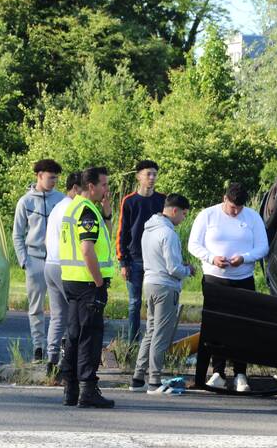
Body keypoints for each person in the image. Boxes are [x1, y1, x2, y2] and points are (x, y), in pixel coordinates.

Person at [187, 182, 268, 392]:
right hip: (215, 278)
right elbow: (193, 244)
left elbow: (263, 247)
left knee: (243, 326)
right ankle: (218, 372)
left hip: (243, 277)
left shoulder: (252, 217)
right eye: (233, 207)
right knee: (216, 326)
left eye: (239, 208)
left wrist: (245, 258)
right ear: (225, 199)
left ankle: (240, 373)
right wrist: (212, 258)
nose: (236, 211)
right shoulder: (207, 215)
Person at [58, 166, 115, 408]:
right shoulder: (86, 211)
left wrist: (108, 214)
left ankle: (70, 388)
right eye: (103, 185)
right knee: (89, 337)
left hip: (72, 280)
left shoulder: (72, 206)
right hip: (87, 282)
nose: (106, 189)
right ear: (90, 186)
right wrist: (99, 281)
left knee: (74, 334)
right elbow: (87, 249)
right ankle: (88, 389)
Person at [130, 194, 192, 393]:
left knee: (150, 331)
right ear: (174, 211)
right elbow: (173, 268)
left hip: (149, 282)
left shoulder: (149, 229)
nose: (183, 219)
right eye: (183, 214)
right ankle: (155, 379)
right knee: (161, 334)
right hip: (166, 286)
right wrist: (188, 270)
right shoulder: (169, 233)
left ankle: (138, 378)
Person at [12, 159, 65, 362]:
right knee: (36, 307)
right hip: (34, 259)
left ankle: (57, 347)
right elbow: (17, 234)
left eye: (56, 178)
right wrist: (23, 260)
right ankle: (38, 348)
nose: (54, 181)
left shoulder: (61, 200)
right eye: (51, 177)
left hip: (56, 260)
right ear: (39, 175)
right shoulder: (25, 202)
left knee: (60, 307)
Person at [116, 160, 165, 343]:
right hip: (135, 258)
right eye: (148, 174)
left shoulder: (162, 200)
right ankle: (133, 342)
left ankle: (153, 341)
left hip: (156, 259)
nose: (151, 178)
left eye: (154, 174)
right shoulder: (129, 201)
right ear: (139, 176)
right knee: (134, 303)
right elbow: (122, 232)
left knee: (155, 303)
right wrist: (123, 261)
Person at [43, 171, 82, 374]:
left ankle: (51, 361)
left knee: (57, 316)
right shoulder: (74, 208)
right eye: (83, 190)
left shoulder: (57, 206)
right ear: (75, 189)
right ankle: (69, 362)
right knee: (75, 316)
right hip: (64, 266)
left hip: (50, 263)